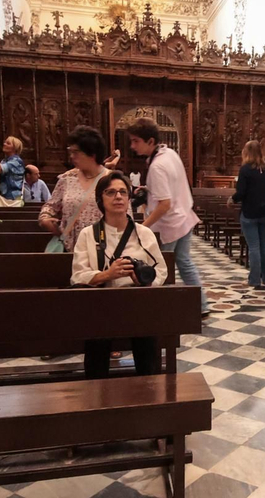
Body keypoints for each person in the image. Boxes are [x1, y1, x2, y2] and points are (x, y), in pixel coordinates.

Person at [72, 172, 166, 377]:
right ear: (100, 199)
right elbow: (78, 276)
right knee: (96, 343)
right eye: (111, 192)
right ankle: (97, 396)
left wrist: (144, 281)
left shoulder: (144, 233)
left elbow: (161, 271)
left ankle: (149, 392)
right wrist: (107, 274)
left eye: (123, 192)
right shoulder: (88, 234)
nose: (118, 197)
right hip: (100, 307)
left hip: (138, 305)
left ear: (129, 198)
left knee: (148, 340)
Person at [129, 118, 207, 314]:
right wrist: (148, 189)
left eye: (136, 141)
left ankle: (162, 308)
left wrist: (143, 226)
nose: (132, 145)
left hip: (170, 224)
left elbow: (164, 204)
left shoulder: (157, 166)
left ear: (151, 141)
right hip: (184, 218)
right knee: (183, 261)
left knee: (160, 266)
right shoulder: (169, 153)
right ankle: (201, 305)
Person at [39, 126, 110, 252]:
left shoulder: (112, 180)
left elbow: (127, 218)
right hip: (71, 250)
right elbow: (50, 205)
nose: (71, 156)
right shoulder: (67, 179)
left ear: (92, 154)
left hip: (104, 251)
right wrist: (45, 218)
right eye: (70, 151)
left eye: (75, 152)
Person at [232, 139, 265, 289]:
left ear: (246, 152)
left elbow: (241, 192)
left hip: (250, 212)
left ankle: (254, 280)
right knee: (264, 244)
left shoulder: (245, 170)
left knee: (254, 247)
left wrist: (232, 199)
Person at [0, 136, 27, 207]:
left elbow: (0, 169)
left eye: (8, 143)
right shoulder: (4, 161)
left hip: (14, 198)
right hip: (3, 196)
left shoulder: (17, 161)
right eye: (5, 142)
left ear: (14, 148)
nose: (4, 144)